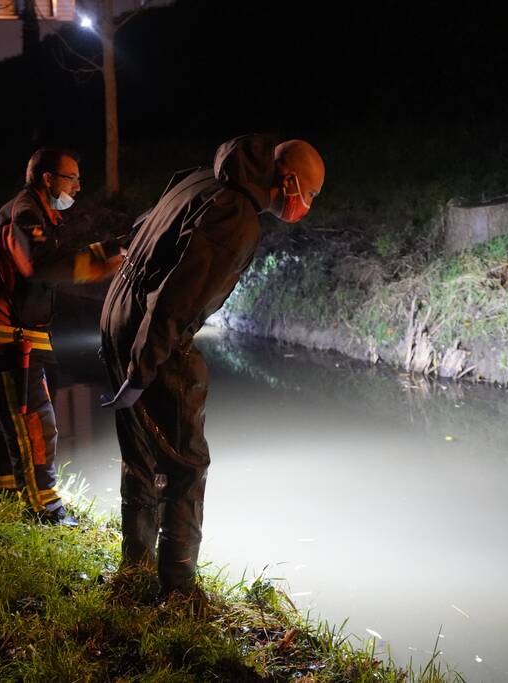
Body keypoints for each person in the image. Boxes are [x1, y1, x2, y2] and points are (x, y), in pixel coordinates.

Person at [99, 134, 325, 600]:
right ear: (288, 181)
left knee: (141, 451)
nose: (308, 206)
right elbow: (175, 303)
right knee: (186, 462)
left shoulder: (202, 179)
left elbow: (141, 231)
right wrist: (143, 369)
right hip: (148, 325)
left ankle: (134, 568)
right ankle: (178, 591)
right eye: (311, 195)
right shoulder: (236, 216)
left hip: (118, 313)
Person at [0, 148, 123, 526]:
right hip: (7, 335)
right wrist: (99, 266)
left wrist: (115, 247)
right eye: (71, 178)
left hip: (14, 332)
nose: (78, 187)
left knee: (11, 417)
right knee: (34, 420)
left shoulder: (34, 211)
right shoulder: (24, 213)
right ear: (47, 178)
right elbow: (43, 265)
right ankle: (44, 508)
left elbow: (57, 255)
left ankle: (5, 488)